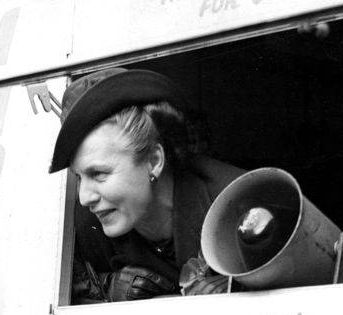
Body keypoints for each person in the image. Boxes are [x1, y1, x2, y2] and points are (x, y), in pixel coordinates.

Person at [48, 67, 245, 302]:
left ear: (154, 161)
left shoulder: (237, 203)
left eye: (99, 173)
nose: (84, 197)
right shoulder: (85, 225)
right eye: (79, 177)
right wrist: (109, 287)